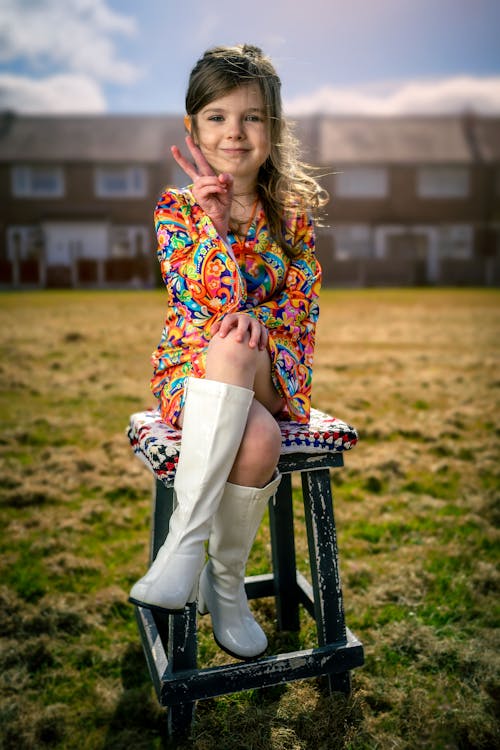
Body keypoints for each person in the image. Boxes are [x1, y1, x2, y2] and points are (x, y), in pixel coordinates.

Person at [129, 44, 327, 660]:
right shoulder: (176, 210)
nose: (234, 133)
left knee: (241, 342)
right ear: (193, 128)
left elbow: (303, 302)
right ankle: (226, 584)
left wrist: (253, 323)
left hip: (274, 369)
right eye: (217, 117)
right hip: (192, 372)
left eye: (252, 117)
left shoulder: (289, 217)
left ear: (273, 127)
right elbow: (198, 304)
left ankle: (181, 552)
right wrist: (213, 228)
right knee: (258, 437)